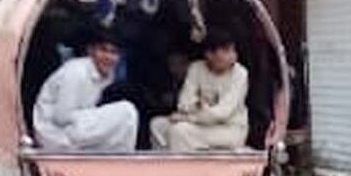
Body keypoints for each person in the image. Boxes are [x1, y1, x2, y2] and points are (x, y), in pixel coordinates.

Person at [31, 23, 139, 152]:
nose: (108, 57)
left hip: (71, 133)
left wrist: (96, 121)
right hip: (54, 135)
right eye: (103, 50)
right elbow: (61, 117)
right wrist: (95, 118)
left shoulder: (106, 75)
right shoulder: (76, 72)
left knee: (121, 125)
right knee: (126, 112)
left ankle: (118, 161)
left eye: (114, 52)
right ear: (91, 50)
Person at [153, 32, 250, 153]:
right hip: (200, 124)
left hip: (229, 129)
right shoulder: (196, 68)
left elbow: (222, 113)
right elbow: (183, 103)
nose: (233, 56)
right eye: (226, 51)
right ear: (209, 54)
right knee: (157, 125)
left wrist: (189, 118)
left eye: (233, 50)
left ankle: (183, 171)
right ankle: (162, 168)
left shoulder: (240, 74)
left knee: (179, 130)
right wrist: (199, 108)